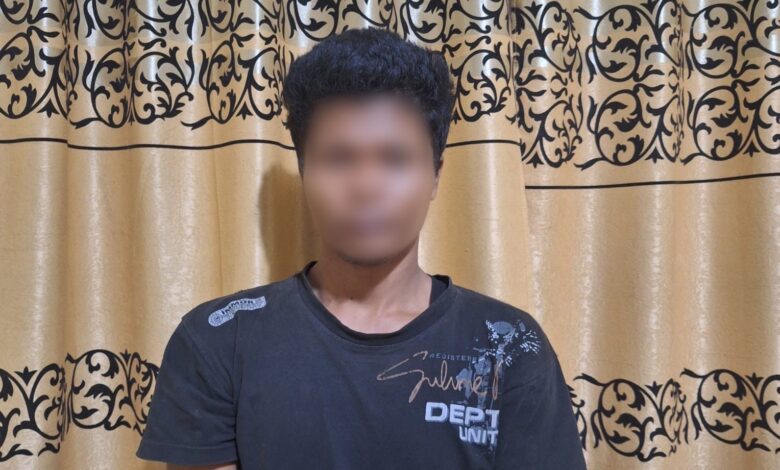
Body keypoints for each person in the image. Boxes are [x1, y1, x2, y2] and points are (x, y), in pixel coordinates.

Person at [136, 26, 586, 470]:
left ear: (435, 175)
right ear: (305, 170)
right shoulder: (219, 340)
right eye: (338, 159)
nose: (366, 186)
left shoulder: (510, 347)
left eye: (395, 159)